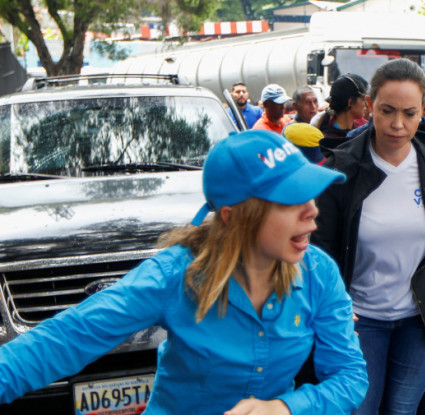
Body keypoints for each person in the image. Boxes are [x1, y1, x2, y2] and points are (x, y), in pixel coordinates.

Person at [0, 129, 369, 414]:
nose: (312, 211)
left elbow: (351, 377)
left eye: (310, 196)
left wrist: (285, 407)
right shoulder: (173, 275)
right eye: (290, 200)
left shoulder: (319, 274)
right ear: (234, 216)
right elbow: (64, 339)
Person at [312, 59, 425, 415]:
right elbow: (321, 249)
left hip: (420, 319)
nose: (398, 124)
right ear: (369, 105)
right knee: (361, 409)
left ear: (424, 109)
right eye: (387, 110)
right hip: (359, 319)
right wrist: (331, 306)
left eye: (409, 113)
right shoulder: (339, 170)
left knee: (402, 409)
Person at [314, 74, 369, 142]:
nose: (366, 104)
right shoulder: (327, 140)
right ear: (350, 102)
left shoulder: (362, 125)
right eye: (363, 99)